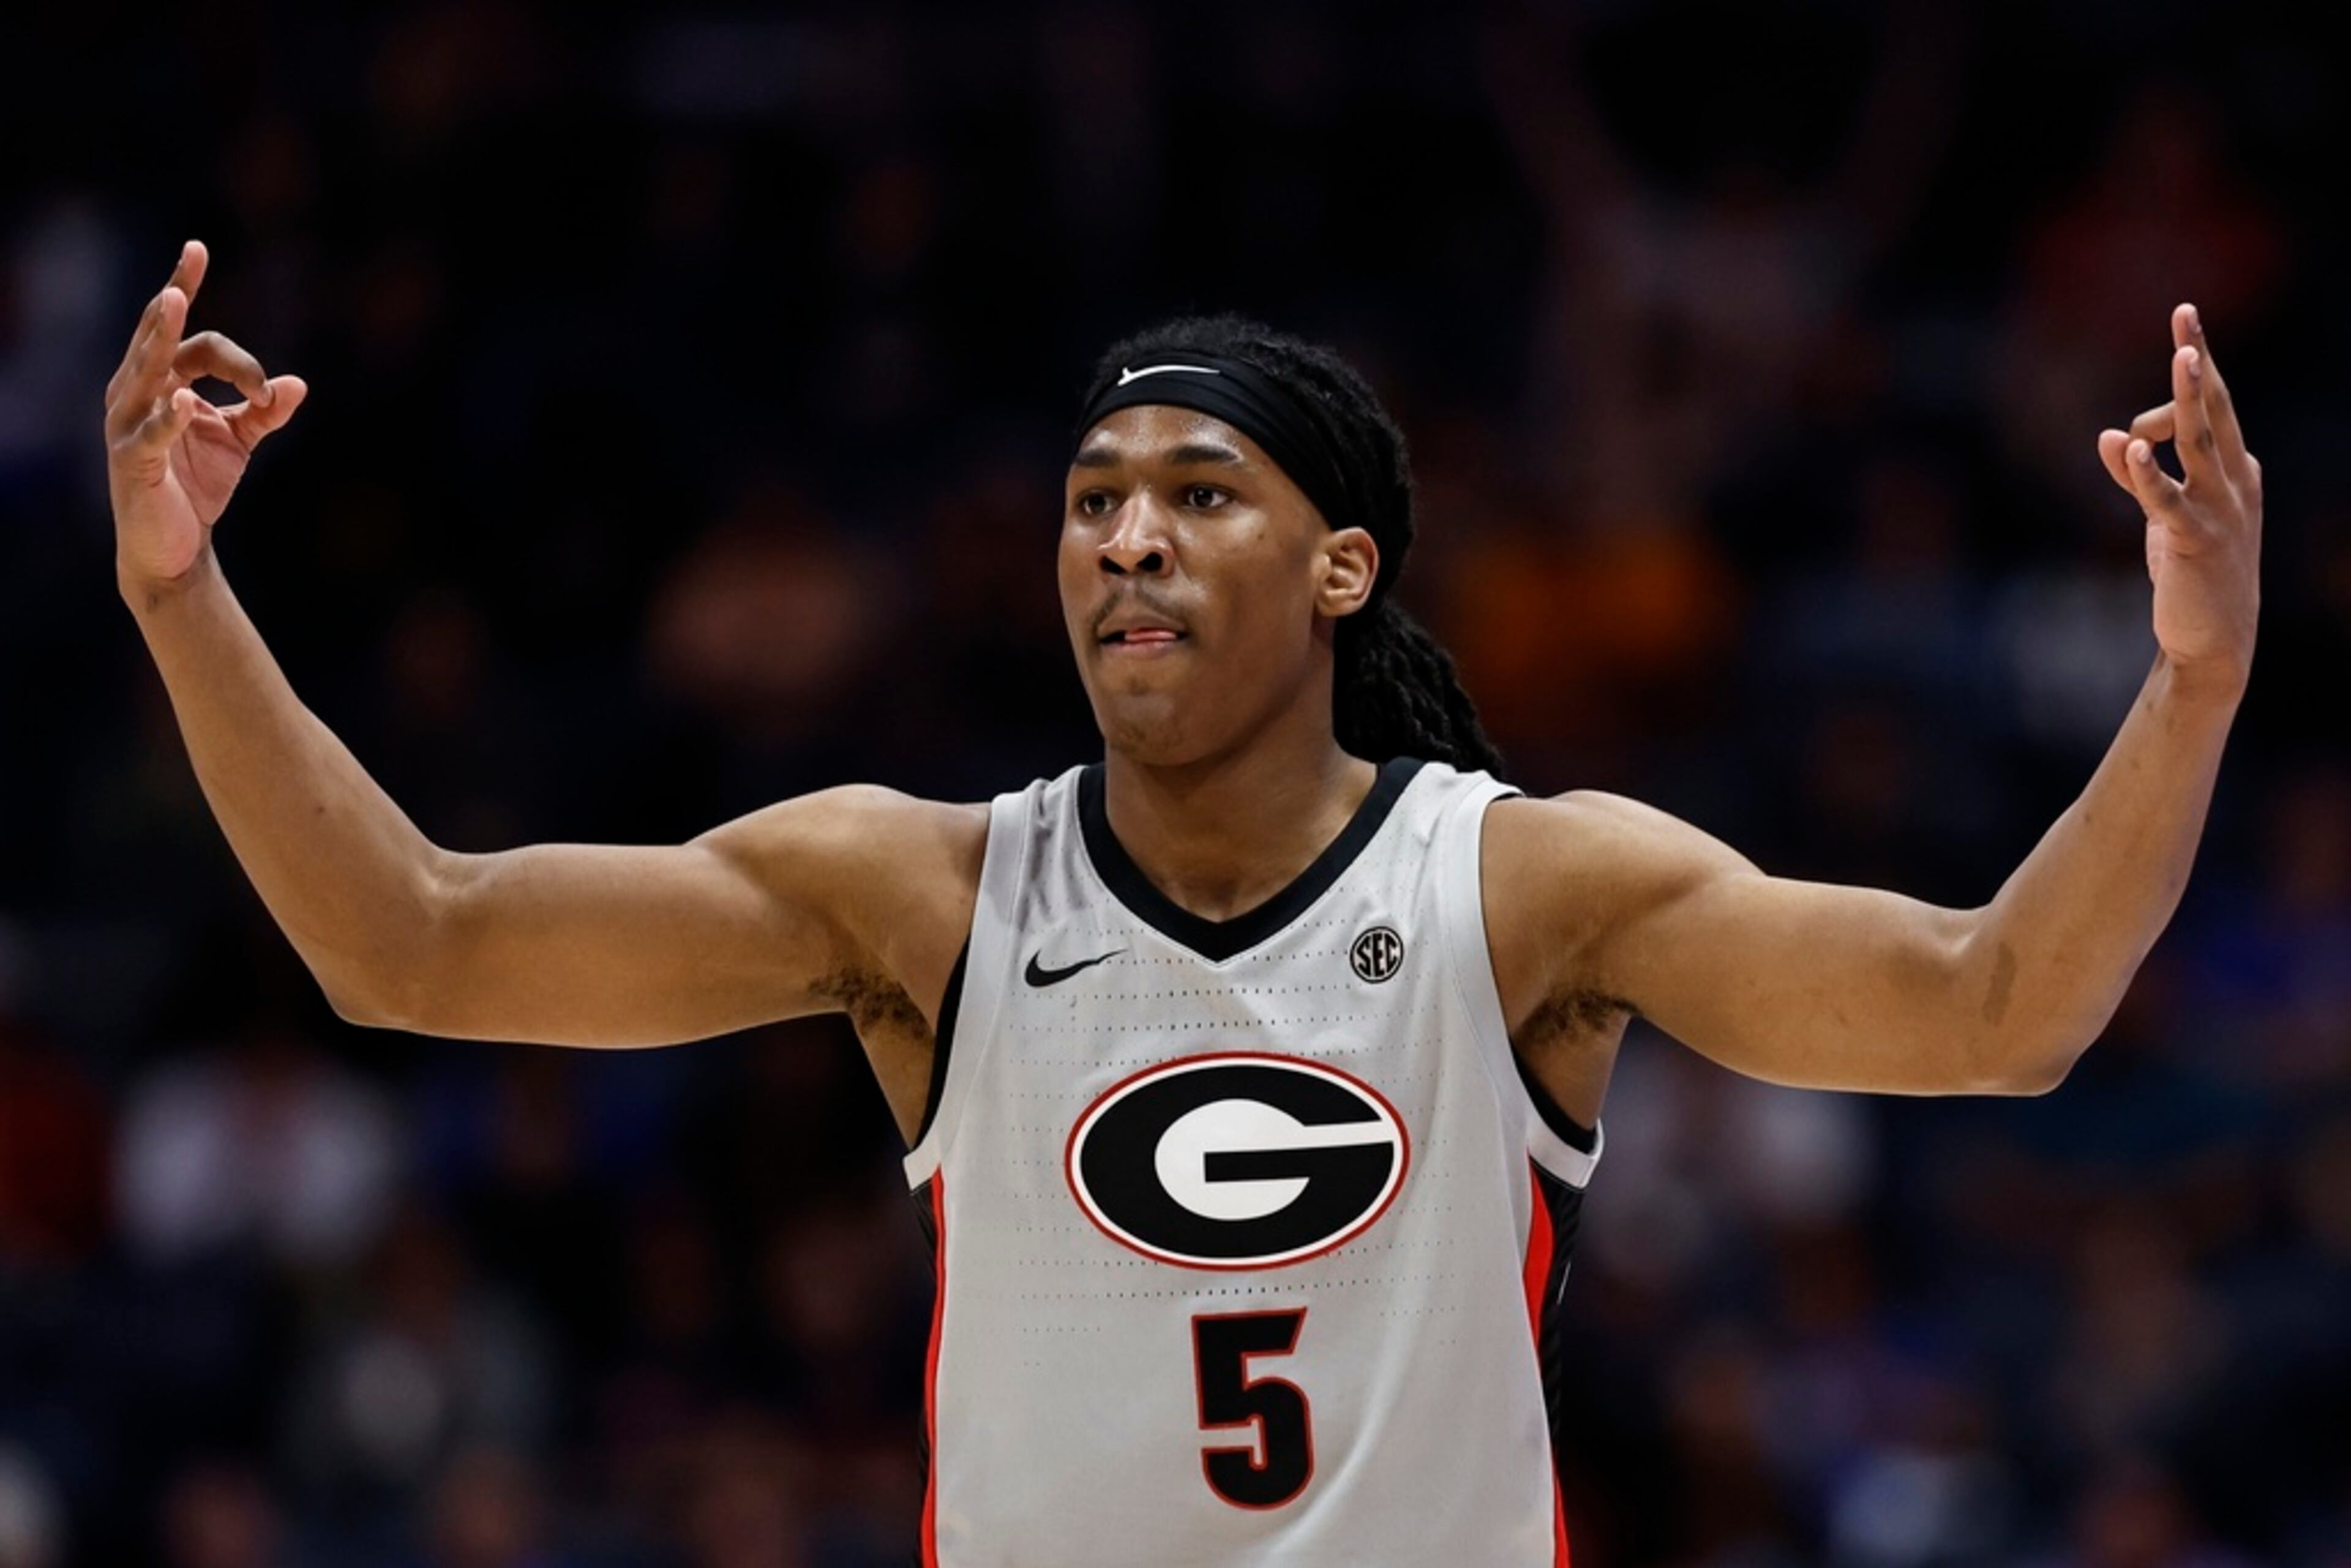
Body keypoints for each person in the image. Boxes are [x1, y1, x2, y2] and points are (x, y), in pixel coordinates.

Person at [104, 239, 2262, 1567]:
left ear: (1342, 568)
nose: (1126, 540)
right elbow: (413, 940)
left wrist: (2191, 680)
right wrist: (182, 592)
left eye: (1197, 494)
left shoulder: (1522, 886)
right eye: (1091, 502)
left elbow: (1996, 1009)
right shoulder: (925, 889)